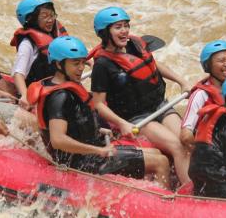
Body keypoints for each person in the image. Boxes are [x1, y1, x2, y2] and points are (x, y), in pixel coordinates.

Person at [27, 36, 170, 187]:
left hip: (90, 153)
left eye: (83, 62)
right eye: (76, 63)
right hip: (82, 161)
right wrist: (97, 150)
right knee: (161, 162)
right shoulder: (60, 97)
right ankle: (163, 203)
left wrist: (100, 130)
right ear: (58, 64)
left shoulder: (60, 86)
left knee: (157, 153)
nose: (81, 68)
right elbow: (58, 140)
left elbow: (75, 123)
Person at [89, 6, 192, 184]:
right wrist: (122, 124)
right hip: (137, 117)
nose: (124, 31)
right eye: (118, 27)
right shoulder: (102, 65)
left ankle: (192, 179)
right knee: (177, 147)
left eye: (126, 25)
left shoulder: (134, 45)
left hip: (160, 105)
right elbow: (98, 104)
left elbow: (152, 64)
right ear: (105, 33)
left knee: (186, 142)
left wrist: (181, 81)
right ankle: (190, 194)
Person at [10, 0, 69, 102]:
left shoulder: (55, 35)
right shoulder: (27, 44)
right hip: (36, 94)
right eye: (44, 16)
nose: (50, 20)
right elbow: (18, 73)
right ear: (31, 19)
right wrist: (24, 95)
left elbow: (70, 54)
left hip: (55, 89)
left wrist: (88, 62)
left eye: (52, 15)